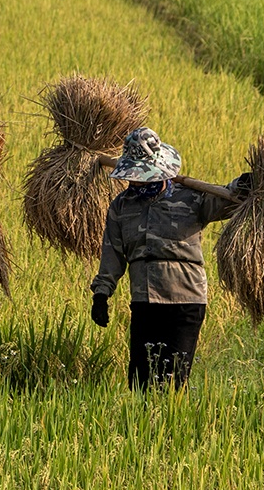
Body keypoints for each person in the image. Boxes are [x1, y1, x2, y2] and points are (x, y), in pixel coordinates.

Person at [88, 127, 246, 390]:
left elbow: (228, 201)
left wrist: (244, 185)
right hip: (144, 300)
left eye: (140, 177)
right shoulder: (121, 206)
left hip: (185, 300)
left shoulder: (191, 198)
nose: (135, 182)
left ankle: (173, 417)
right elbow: (112, 253)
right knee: (140, 381)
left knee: (173, 380)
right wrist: (101, 294)